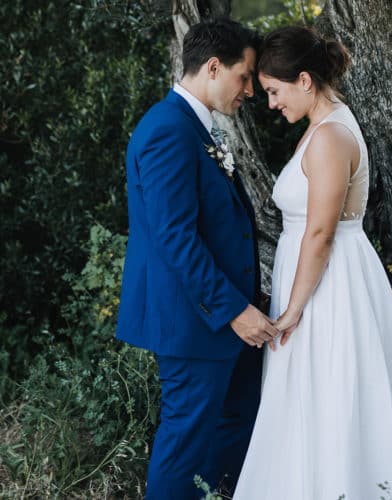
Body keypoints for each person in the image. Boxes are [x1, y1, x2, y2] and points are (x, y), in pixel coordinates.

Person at [233, 26, 392, 500]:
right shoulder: (321, 127)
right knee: (311, 395)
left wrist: (292, 309)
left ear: (305, 80)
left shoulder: (331, 135)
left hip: (328, 288)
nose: (271, 104)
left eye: (274, 91)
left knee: (332, 391)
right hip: (315, 279)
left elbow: (320, 232)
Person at [116, 19, 279, 500]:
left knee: (233, 422)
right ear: (213, 67)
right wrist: (234, 310)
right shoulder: (167, 130)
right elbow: (175, 238)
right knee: (185, 438)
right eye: (244, 77)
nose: (249, 90)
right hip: (196, 320)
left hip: (223, 319)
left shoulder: (193, 125)